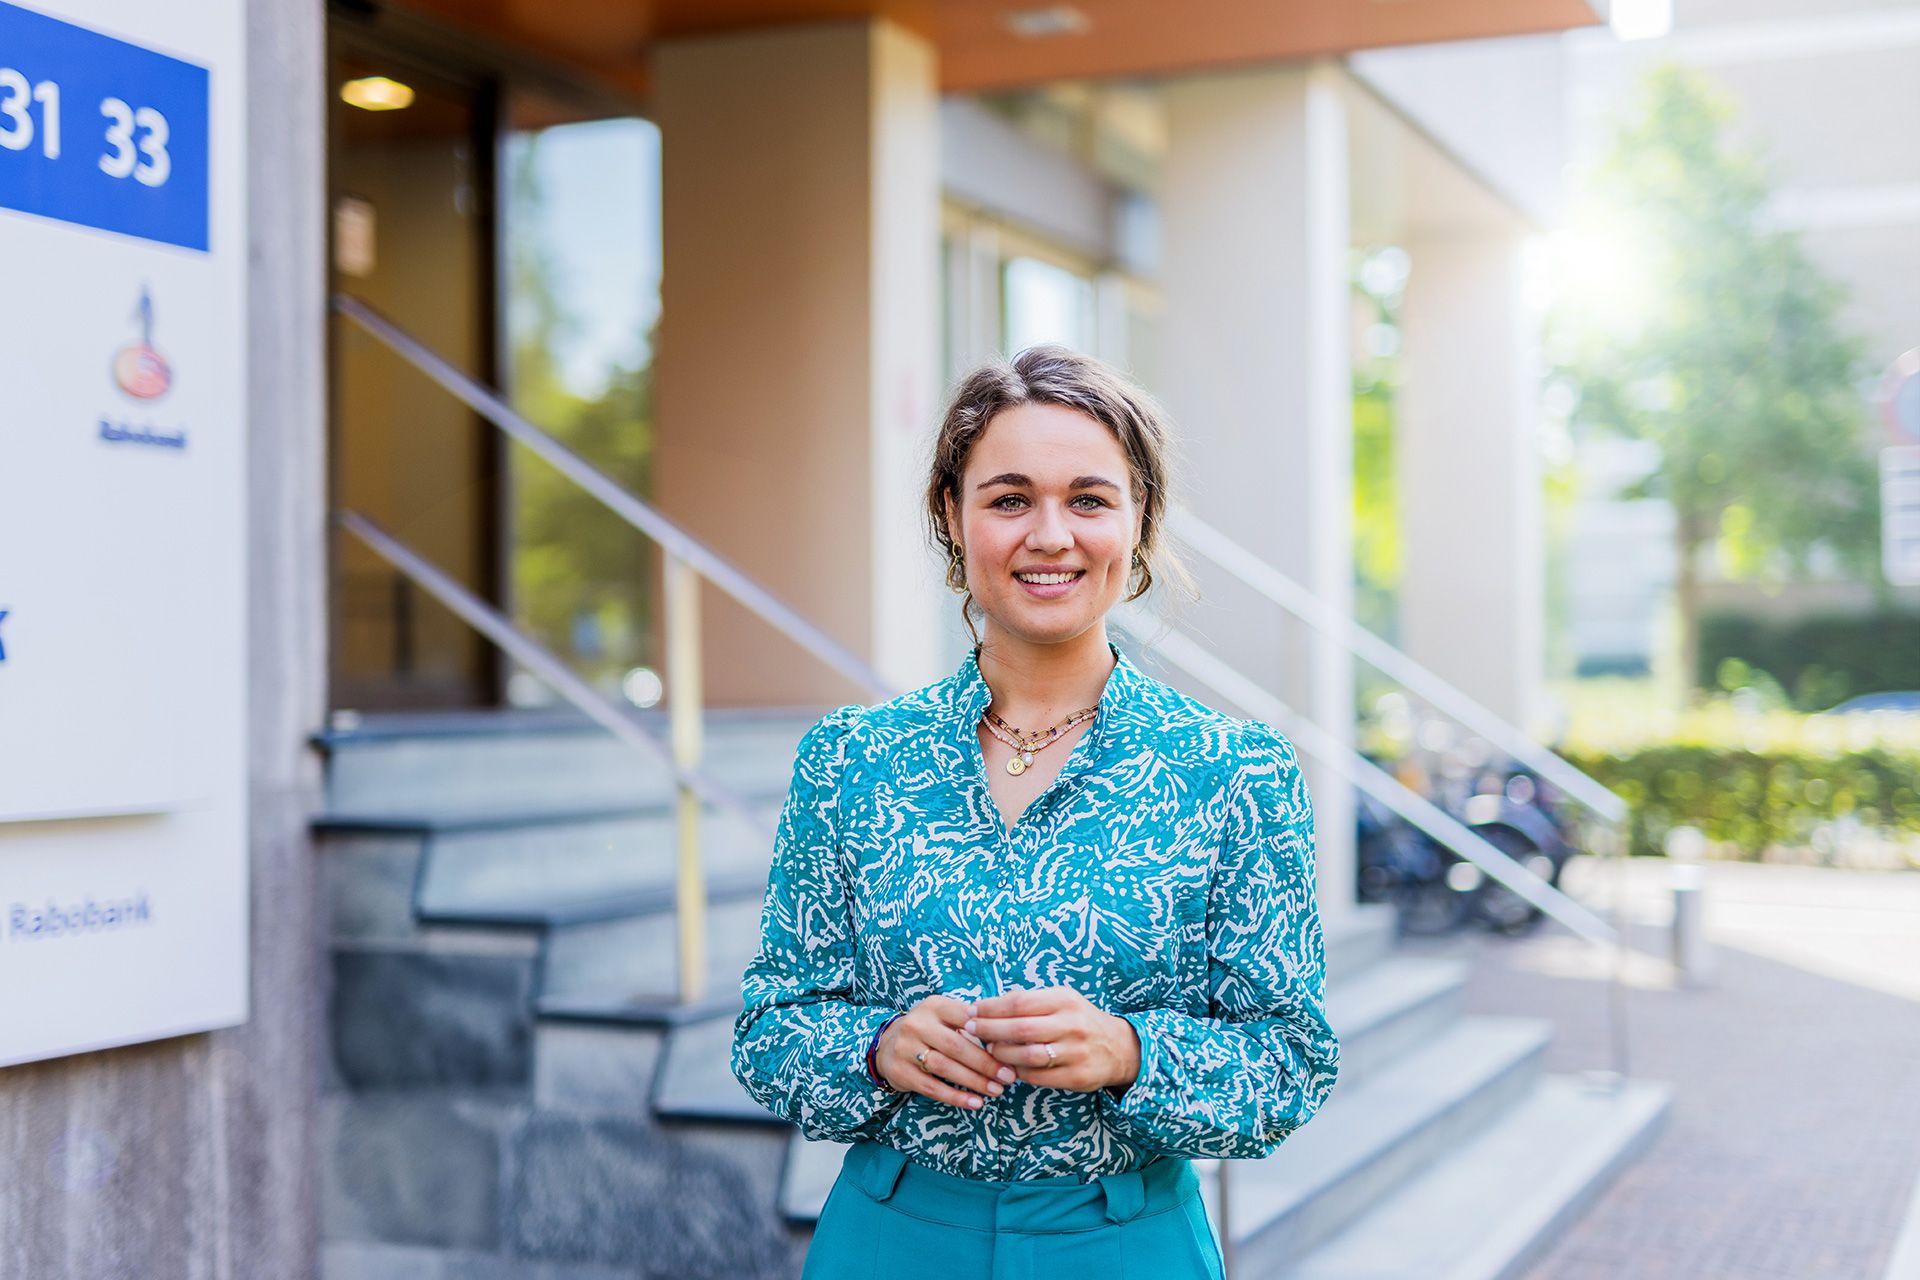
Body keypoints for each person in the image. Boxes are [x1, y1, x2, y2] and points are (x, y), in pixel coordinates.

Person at [729, 345, 1341, 1278]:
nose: (1050, 535)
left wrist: (1130, 1051)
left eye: (1089, 499)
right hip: (890, 1236)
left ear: (1137, 524)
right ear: (953, 515)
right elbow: (770, 1029)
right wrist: (877, 1045)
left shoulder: (1235, 771)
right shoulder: (850, 759)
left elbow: (1291, 1066)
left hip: (1124, 1241)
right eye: (1010, 498)